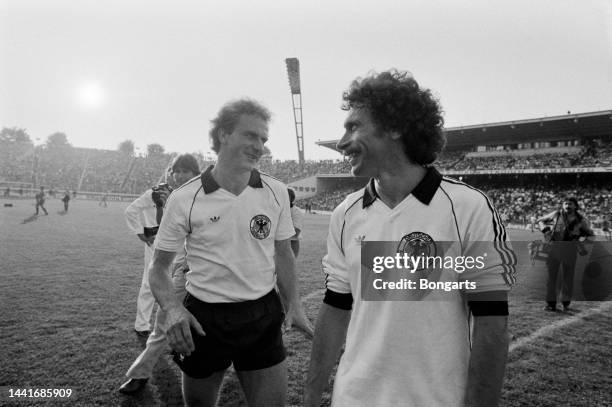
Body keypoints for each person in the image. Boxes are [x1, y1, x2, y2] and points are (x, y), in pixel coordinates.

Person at [305, 70, 515, 407]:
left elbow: (491, 324)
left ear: (395, 126)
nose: (342, 143)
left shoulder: (467, 208)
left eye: (353, 126)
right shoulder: (346, 213)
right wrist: (312, 392)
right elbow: (335, 308)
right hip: (353, 399)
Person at [149, 99, 313, 407]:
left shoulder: (276, 191)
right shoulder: (185, 198)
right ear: (223, 135)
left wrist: (295, 305)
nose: (260, 146)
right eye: (251, 136)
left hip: (262, 315)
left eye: (263, 139)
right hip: (204, 318)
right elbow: (158, 268)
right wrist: (172, 308)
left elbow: (284, 253)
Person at [119, 154, 200, 394]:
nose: (180, 175)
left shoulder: (205, 195)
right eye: (176, 171)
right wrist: (159, 209)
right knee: (163, 322)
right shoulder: (166, 194)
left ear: (195, 173)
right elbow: (166, 230)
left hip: (210, 270)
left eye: (186, 171)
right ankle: (140, 373)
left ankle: (240, 367)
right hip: (181, 268)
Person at [125, 183, 170, 335]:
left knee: (181, 282)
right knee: (149, 283)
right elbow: (130, 211)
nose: (180, 176)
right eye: (176, 171)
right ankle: (142, 325)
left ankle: (176, 322)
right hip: (155, 241)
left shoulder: (189, 190)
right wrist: (141, 235)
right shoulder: (154, 192)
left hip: (180, 240)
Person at [537, 197, 594, 312]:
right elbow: (540, 220)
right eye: (565, 203)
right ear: (562, 205)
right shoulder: (557, 214)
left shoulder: (581, 220)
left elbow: (591, 236)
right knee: (551, 278)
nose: (567, 206)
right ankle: (550, 304)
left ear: (575, 206)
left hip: (570, 251)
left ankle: (565, 303)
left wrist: (581, 242)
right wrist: (545, 230)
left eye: (570, 204)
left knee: (568, 278)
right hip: (554, 249)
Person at [287, 188, 304, 258]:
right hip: (277, 243)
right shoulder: (277, 209)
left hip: (292, 243)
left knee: (288, 266)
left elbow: (296, 231)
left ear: (292, 198)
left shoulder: (296, 211)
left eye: (287, 196)